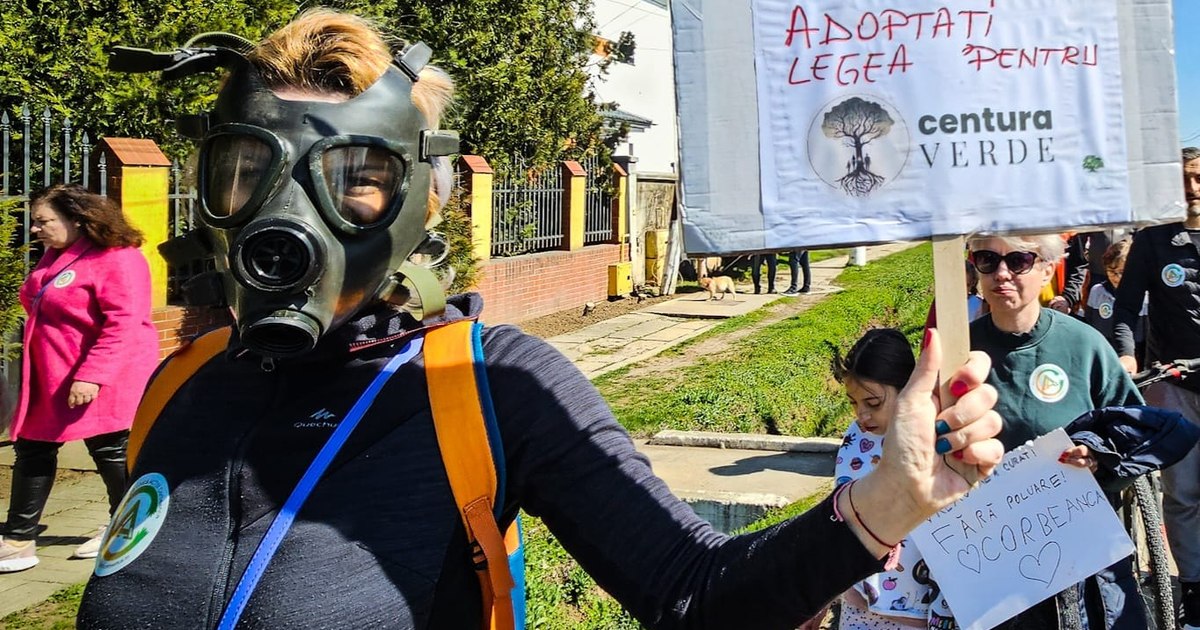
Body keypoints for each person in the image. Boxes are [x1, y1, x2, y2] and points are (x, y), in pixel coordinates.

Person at [78, 11, 1005, 628]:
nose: (287, 215)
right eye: (249, 168)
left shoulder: (490, 385)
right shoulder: (181, 382)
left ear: (422, 203)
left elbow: (696, 593)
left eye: (354, 178)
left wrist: (885, 503)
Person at [967, 233, 1146, 629]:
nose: (1001, 273)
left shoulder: (1083, 345)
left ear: (1048, 268)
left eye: (1018, 261)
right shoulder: (957, 353)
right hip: (990, 553)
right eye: (986, 260)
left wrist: (1097, 453)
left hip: (1082, 550)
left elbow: (1137, 427)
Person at [0, 185, 157, 573]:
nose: (35, 229)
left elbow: (124, 323)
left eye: (43, 221)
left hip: (102, 373)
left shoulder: (119, 258)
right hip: (52, 374)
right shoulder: (57, 255)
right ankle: (19, 540)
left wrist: (93, 376)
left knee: (109, 449)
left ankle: (127, 523)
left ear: (77, 219)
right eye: (35, 222)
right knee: (34, 448)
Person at [1112, 146, 1200, 630]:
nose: (1193, 190)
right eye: (1185, 180)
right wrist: (1126, 354)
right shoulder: (1153, 241)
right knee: (1183, 494)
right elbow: (1125, 308)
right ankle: (1192, 588)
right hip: (1175, 381)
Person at [833, 328, 957, 630]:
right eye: (853, 403)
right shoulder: (855, 437)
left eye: (873, 403)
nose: (862, 415)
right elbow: (838, 519)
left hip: (916, 613)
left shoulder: (940, 441)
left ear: (908, 388)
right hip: (858, 605)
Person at [1084, 239, 1147, 365]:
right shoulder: (1097, 292)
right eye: (1111, 271)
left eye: (1122, 272)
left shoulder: (1145, 297)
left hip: (1135, 357)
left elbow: (1146, 337)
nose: (1117, 277)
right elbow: (1089, 324)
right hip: (1104, 354)